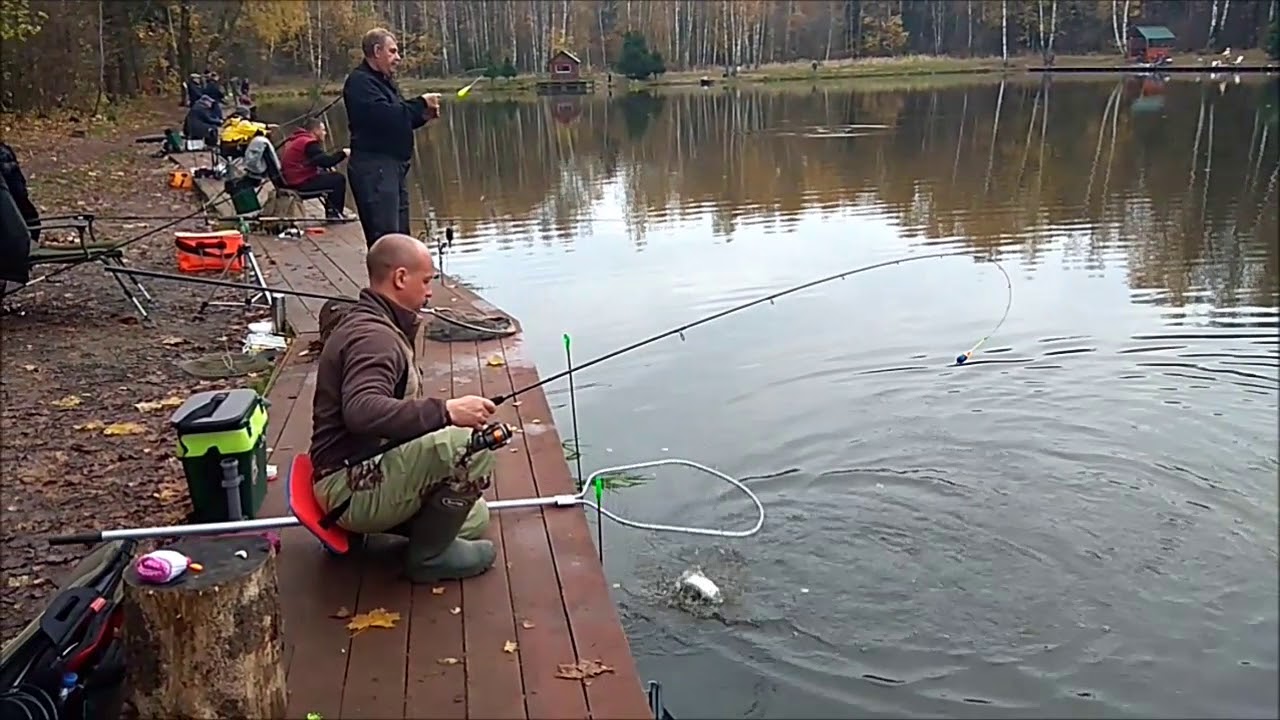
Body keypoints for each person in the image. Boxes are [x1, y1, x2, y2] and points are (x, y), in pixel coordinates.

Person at [308, 233, 499, 583]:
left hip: (355, 471)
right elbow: (362, 410)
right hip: (347, 488)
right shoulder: (375, 338)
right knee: (471, 446)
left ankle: (410, 530)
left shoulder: (375, 323)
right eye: (426, 281)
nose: (429, 292)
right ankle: (429, 559)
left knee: (475, 517)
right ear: (399, 278)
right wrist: (447, 412)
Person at [342, 27, 441, 248]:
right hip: (374, 171)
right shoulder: (360, 82)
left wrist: (421, 116)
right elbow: (385, 117)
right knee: (386, 242)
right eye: (393, 51)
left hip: (393, 169)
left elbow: (397, 120)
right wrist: (420, 103)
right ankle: (384, 282)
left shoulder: (384, 83)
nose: (398, 58)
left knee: (400, 239)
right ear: (377, 51)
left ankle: (399, 281)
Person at [278, 116, 351, 219]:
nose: (325, 133)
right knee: (338, 179)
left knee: (330, 176)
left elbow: (316, 161)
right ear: (316, 131)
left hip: (292, 180)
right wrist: (343, 153)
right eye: (323, 130)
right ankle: (334, 215)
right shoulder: (309, 143)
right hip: (299, 184)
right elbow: (326, 162)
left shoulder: (298, 139)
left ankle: (332, 212)